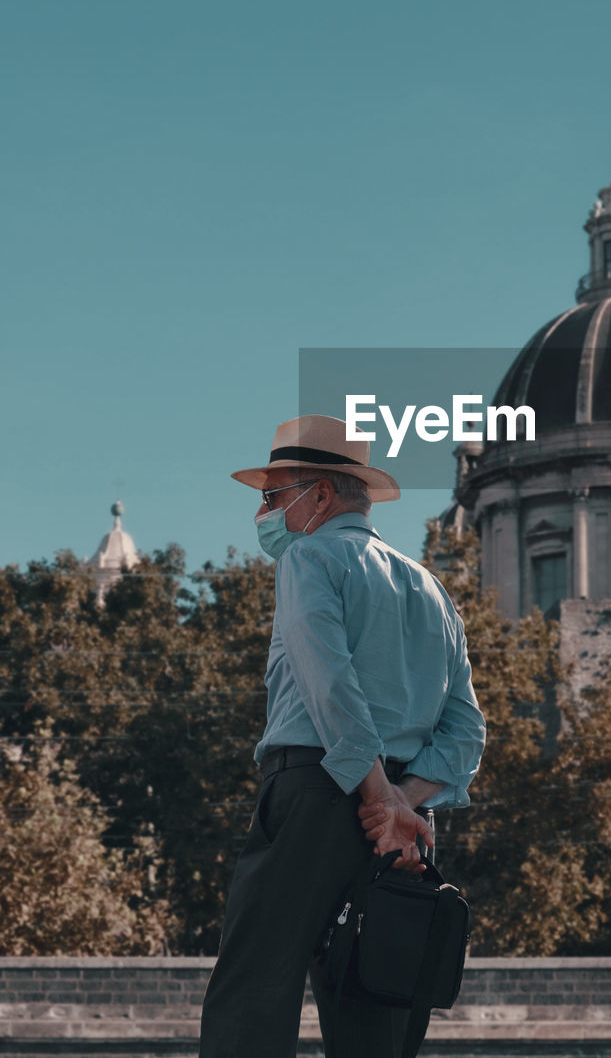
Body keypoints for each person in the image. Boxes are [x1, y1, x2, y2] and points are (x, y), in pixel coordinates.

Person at [199, 414, 486, 1058]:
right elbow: (467, 730)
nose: (265, 511)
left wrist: (377, 794)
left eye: (274, 495)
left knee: (254, 985)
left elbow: (328, 681)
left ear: (320, 494)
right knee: (373, 990)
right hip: (400, 823)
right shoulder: (433, 589)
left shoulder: (310, 556)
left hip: (315, 789)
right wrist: (403, 802)